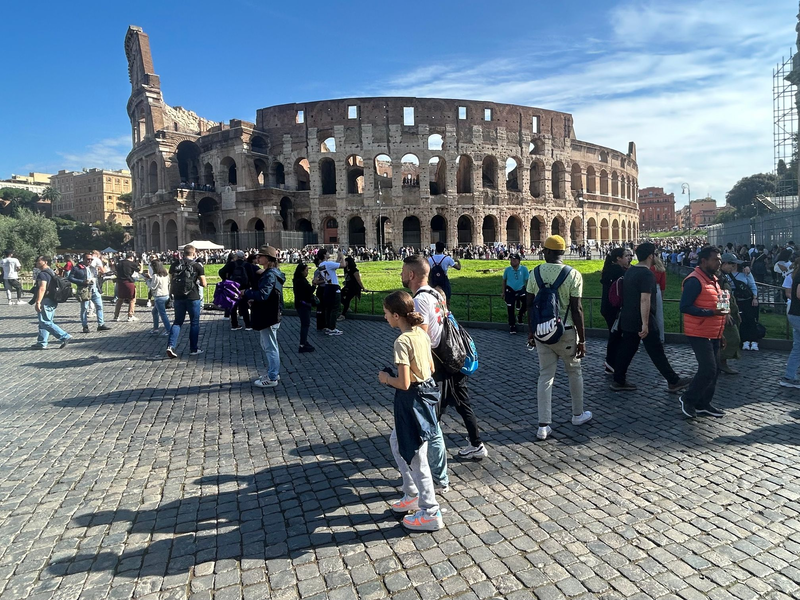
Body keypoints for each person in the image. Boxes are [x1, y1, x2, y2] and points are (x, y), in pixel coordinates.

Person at [403, 254, 488, 464]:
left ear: (411, 274)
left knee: (432, 410)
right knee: (460, 403)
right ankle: (476, 444)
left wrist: (415, 366)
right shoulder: (435, 293)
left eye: (403, 271)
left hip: (439, 361)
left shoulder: (419, 300)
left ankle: (426, 460)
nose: (401, 274)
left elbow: (421, 337)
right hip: (453, 355)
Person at [378, 290, 443, 532]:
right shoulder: (421, 334)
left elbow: (404, 383)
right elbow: (431, 367)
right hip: (426, 394)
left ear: (396, 315)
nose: (385, 318)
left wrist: (386, 378)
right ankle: (411, 492)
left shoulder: (402, 341)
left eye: (386, 314)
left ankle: (430, 510)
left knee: (416, 455)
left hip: (411, 398)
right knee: (397, 441)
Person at [526, 235, 592, 440]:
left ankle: (543, 425)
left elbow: (529, 306)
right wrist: (582, 339)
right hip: (567, 331)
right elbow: (577, 308)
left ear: (546, 252)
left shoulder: (534, 273)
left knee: (545, 375)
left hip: (542, 332)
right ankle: (577, 414)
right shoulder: (574, 275)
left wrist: (531, 332)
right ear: (562, 253)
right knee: (574, 372)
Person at [611, 242, 692, 394]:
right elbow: (645, 299)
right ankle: (673, 381)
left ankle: (618, 380)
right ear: (650, 256)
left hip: (628, 317)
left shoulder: (630, 271)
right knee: (656, 350)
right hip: (642, 319)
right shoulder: (647, 274)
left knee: (627, 349)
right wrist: (645, 324)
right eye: (655, 254)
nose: (656, 256)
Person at [679, 246, 728, 418]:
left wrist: (720, 332)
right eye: (716, 259)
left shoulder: (714, 280)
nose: (719, 262)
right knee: (708, 369)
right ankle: (688, 398)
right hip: (699, 332)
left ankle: (703, 403)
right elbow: (684, 307)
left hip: (713, 332)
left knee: (714, 371)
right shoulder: (694, 280)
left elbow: (719, 307)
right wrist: (711, 313)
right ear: (703, 261)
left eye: (720, 259)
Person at [246, 245, 285, 387]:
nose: (257, 258)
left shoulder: (269, 274)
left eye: (260, 256)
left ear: (268, 259)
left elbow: (263, 294)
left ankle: (273, 377)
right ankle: (272, 372)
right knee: (268, 344)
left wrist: (248, 293)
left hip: (269, 315)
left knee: (270, 347)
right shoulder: (273, 273)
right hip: (271, 313)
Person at [166, 244, 207, 358]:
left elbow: (171, 280)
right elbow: (204, 283)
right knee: (194, 322)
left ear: (183, 253)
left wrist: (171, 294)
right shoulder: (197, 266)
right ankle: (193, 348)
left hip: (178, 296)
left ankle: (170, 345)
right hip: (193, 296)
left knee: (178, 322)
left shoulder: (174, 265)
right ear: (193, 253)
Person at [599, 248, 631, 373]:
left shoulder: (611, 269)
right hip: (613, 308)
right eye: (626, 256)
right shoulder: (617, 270)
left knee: (615, 334)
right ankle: (611, 362)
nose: (629, 258)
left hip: (608, 307)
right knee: (615, 335)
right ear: (618, 258)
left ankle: (612, 362)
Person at [30, 255, 72, 350]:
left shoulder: (42, 274)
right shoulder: (51, 272)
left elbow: (42, 288)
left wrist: (38, 302)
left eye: (38, 260)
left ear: (45, 262)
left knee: (45, 322)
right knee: (45, 321)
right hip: (53, 299)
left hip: (46, 299)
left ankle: (64, 336)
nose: (36, 262)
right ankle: (42, 342)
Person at [68, 252, 111, 333]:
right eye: (88, 259)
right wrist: (83, 281)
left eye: (91, 259)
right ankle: (85, 326)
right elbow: (70, 278)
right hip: (84, 290)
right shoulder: (77, 268)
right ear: (83, 259)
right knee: (84, 309)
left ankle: (101, 324)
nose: (90, 260)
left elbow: (96, 280)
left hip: (94, 290)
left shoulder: (93, 268)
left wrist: (99, 290)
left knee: (99, 306)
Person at [723, 255, 760, 351]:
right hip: (734, 300)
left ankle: (753, 340)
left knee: (751, 319)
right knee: (740, 320)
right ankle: (744, 340)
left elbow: (752, 285)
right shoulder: (723, 275)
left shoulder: (745, 273)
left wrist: (755, 298)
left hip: (747, 299)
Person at [718, 254, 743, 375]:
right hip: (724, 313)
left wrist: (735, 311)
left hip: (728, 311)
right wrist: (726, 313)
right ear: (724, 263)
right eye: (731, 265)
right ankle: (721, 362)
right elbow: (722, 296)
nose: (733, 267)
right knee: (732, 337)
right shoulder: (720, 277)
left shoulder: (724, 276)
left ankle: (721, 362)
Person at [219, 250, 255, 330]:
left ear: (236, 257)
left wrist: (226, 280)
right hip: (244, 288)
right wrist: (252, 286)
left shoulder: (231, 264)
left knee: (233, 307)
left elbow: (221, 272)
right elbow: (252, 277)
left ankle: (234, 325)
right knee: (244, 306)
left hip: (232, 287)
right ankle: (248, 325)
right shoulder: (248, 265)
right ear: (243, 257)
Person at [781, 257, 800, 388]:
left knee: (798, 347)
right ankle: (789, 376)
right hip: (798, 314)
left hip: (794, 314)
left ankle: (789, 376)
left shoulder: (796, 274)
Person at [316, 249, 345, 335]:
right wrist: (342, 256)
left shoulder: (321, 265)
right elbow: (343, 265)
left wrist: (339, 257)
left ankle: (328, 327)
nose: (329, 253)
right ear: (325, 255)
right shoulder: (328, 264)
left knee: (328, 308)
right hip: (334, 287)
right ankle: (333, 328)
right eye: (327, 252)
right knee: (335, 308)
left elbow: (334, 267)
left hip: (327, 287)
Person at [503, 253, 529, 335]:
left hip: (521, 289)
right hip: (510, 290)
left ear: (518, 261)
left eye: (514, 260)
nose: (512, 261)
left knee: (526, 303)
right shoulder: (507, 270)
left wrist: (529, 291)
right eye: (511, 260)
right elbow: (504, 280)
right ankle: (512, 325)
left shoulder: (524, 269)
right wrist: (503, 292)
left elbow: (527, 280)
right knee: (510, 308)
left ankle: (520, 315)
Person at [292, 262, 316, 353]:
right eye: (306, 270)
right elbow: (308, 292)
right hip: (303, 305)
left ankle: (304, 342)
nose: (307, 272)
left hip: (301, 304)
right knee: (305, 325)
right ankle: (302, 344)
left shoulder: (297, 280)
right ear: (301, 271)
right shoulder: (301, 281)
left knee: (305, 324)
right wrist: (314, 285)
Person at [113, 252, 140, 322]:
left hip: (120, 282)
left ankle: (116, 316)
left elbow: (115, 270)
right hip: (129, 282)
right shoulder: (131, 263)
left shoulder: (120, 263)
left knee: (120, 299)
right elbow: (139, 270)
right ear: (131, 257)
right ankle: (130, 315)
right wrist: (141, 265)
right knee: (132, 299)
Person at [147, 260, 171, 335]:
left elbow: (153, 287)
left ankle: (168, 330)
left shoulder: (155, 276)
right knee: (154, 312)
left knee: (163, 314)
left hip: (159, 296)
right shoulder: (166, 274)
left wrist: (147, 281)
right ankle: (155, 329)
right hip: (166, 295)